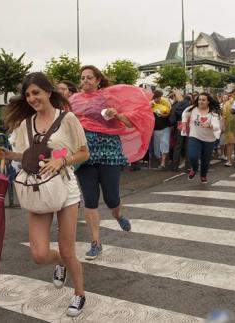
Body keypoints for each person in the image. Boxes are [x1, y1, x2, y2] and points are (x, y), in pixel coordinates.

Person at [0, 72, 90, 317]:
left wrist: (62, 161)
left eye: (36, 92)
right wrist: (9, 155)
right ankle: (61, 263)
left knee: (68, 249)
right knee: (39, 255)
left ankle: (79, 294)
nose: (31, 98)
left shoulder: (68, 119)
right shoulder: (24, 125)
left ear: (49, 92)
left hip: (64, 189)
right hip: (37, 189)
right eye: (27, 94)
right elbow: (27, 156)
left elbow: (83, 153)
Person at [69, 65, 153, 260]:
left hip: (109, 153)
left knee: (111, 198)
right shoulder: (73, 101)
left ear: (98, 80)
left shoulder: (110, 98)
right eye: (82, 78)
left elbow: (131, 122)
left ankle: (117, 215)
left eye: (90, 77)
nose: (85, 81)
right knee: (90, 199)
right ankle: (96, 242)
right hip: (85, 156)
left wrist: (117, 114)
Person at [181, 93, 221, 183]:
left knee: (205, 159)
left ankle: (203, 175)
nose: (201, 102)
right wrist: (184, 125)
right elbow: (184, 115)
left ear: (208, 102)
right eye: (199, 100)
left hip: (209, 139)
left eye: (203, 100)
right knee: (193, 156)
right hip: (194, 136)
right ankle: (194, 169)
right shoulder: (192, 109)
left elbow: (217, 126)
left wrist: (210, 125)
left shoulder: (213, 113)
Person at [169, 94, 192, 171]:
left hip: (179, 125)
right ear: (189, 100)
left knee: (177, 146)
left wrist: (174, 124)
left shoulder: (176, 105)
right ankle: (188, 167)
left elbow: (172, 117)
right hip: (188, 126)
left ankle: (174, 166)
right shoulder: (191, 106)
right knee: (188, 147)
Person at [150, 90, 172, 170]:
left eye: (159, 97)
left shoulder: (165, 102)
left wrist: (163, 115)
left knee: (164, 145)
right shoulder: (151, 104)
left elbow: (169, 113)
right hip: (156, 129)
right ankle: (161, 162)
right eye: (157, 98)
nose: (159, 99)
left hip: (165, 127)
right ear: (154, 98)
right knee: (156, 149)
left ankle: (162, 163)